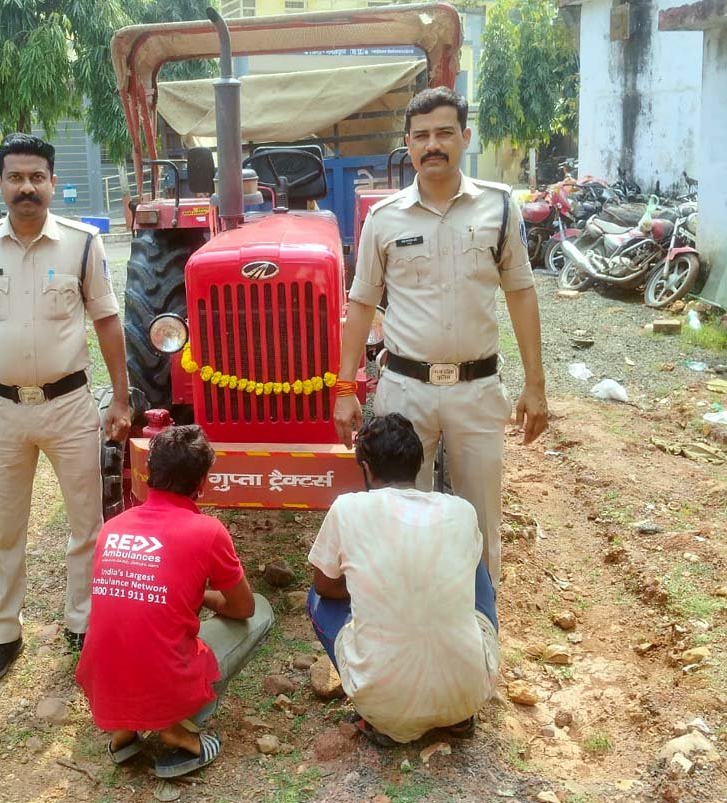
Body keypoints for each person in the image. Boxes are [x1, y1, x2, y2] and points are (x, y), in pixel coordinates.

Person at [333, 87, 548, 583]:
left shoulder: (498, 207)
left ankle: (479, 630)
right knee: (400, 521)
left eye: (444, 133)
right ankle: (408, 625)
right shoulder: (384, 218)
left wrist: (535, 384)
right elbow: (361, 303)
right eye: (422, 135)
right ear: (407, 144)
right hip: (405, 393)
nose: (434, 144)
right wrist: (346, 389)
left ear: (464, 138)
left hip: (477, 392)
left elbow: (521, 292)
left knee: (479, 522)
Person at [0, 132, 131, 689]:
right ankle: (3, 633)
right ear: (0, 183)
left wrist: (121, 396)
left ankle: (83, 625)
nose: (26, 187)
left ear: (52, 182)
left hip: (70, 405)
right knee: (4, 528)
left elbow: (106, 321)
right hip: (3, 409)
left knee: (86, 522)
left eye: (36, 177)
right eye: (15, 177)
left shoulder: (82, 244)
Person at [76, 425, 273, 777]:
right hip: (163, 680)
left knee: (135, 632)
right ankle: (179, 729)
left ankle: (125, 729)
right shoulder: (209, 531)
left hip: (102, 683)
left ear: (150, 473)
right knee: (261, 613)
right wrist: (204, 596)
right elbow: (244, 608)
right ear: (202, 484)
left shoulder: (113, 527)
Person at [307, 413, 500, 746]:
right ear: (418, 462)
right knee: (476, 567)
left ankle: (374, 716)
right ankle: (457, 717)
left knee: (317, 597)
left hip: (384, 707)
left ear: (366, 468)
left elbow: (325, 587)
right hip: (468, 695)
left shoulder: (347, 508)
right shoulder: (461, 511)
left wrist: (372, 587)